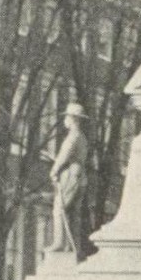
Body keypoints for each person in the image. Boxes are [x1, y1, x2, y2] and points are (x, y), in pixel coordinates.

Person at [48, 102, 89, 254]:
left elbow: (64, 155)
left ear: (73, 119)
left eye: (67, 117)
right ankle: (72, 246)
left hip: (72, 175)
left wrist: (54, 169)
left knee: (59, 208)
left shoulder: (73, 136)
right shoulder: (82, 137)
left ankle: (59, 243)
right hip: (80, 176)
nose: (65, 120)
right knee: (74, 213)